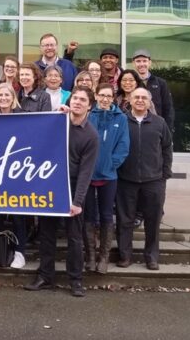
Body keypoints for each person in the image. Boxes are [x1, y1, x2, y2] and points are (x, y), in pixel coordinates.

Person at [25, 87, 99, 297]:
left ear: (89, 106)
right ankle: (45, 276)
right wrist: (56, 115)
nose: (77, 102)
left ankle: (75, 280)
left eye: (82, 100)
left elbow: (86, 172)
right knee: (46, 234)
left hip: (74, 188)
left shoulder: (91, 136)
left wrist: (77, 202)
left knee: (75, 237)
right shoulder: (59, 122)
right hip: (52, 184)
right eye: (75, 98)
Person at [116, 88, 172, 271]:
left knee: (153, 221)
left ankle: (152, 257)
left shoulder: (159, 122)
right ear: (130, 100)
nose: (140, 100)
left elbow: (166, 149)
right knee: (125, 220)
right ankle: (125, 256)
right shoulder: (121, 120)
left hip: (153, 180)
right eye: (136, 97)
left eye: (144, 98)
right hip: (126, 179)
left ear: (149, 102)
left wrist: (165, 174)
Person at [85, 84, 130, 274]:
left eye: (108, 96)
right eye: (101, 95)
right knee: (88, 216)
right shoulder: (88, 115)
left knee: (105, 215)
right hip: (87, 175)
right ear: (95, 96)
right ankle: (90, 256)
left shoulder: (121, 118)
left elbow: (123, 145)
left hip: (109, 175)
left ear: (113, 98)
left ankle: (103, 257)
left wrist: (111, 164)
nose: (104, 99)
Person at [0, 83, 28, 269]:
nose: (3, 98)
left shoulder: (23, 118)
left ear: (13, 98)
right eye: (0, 95)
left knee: (19, 215)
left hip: (18, 172)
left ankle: (20, 253)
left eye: (7, 95)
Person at [131, 50, 175, 131]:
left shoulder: (160, 83)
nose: (141, 64)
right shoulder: (130, 83)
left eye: (144, 61)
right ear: (133, 63)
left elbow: (168, 108)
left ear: (150, 62)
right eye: (138, 61)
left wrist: (168, 131)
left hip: (156, 127)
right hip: (135, 127)